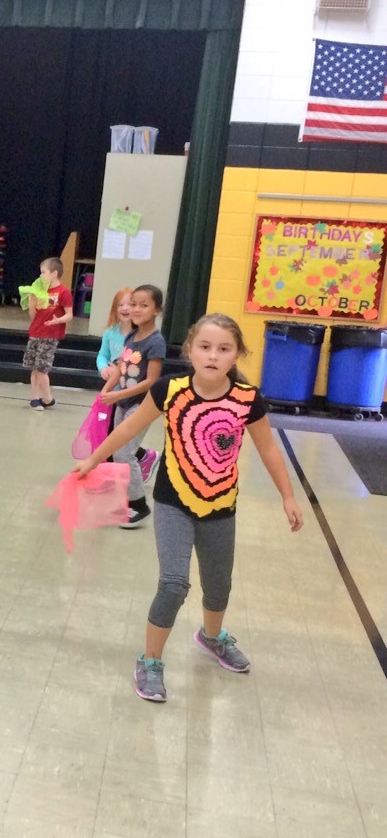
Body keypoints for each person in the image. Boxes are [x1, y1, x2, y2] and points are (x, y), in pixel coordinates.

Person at [75, 313, 303, 703]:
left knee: (219, 585)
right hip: (172, 501)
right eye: (205, 347)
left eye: (224, 349)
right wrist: (94, 460)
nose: (213, 355)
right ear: (191, 351)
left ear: (237, 355)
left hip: (221, 505)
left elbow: (267, 447)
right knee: (174, 584)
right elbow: (129, 429)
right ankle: (150, 660)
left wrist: (287, 495)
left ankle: (211, 637)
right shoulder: (170, 389)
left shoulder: (248, 399)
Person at [99, 284, 165, 526]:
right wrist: (108, 390)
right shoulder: (130, 336)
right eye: (134, 304)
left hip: (141, 404)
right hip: (123, 401)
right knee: (118, 451)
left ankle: (139, 504)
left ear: (156, 310)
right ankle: (125, 500)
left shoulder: (155, 342)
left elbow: (151, 381)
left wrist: (118, 396)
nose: (136, 309)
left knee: (125, 452)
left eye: (143, 305)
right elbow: (121, 369)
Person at [23, 257, 73, 410]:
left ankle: (46, 397)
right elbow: (34, 317)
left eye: (43, 272)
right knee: (34, 367)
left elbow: (69, 315)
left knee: (42, 368)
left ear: (54, 273)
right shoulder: (40, 291)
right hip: (35, 332)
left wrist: (57, 321)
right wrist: (32, 304)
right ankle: (36, 398)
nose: (41, 275)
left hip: (50, 335)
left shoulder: (63, 292)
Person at [96, 286, 134, 381]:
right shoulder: (109, 333)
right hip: (113, 384)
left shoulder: (140, 335)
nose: (125, 308)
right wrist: (103, 369)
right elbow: (103, 355)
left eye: (130, 305)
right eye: (120, 305)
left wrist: (119, 371)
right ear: (115, 309)